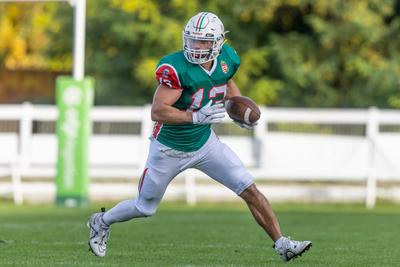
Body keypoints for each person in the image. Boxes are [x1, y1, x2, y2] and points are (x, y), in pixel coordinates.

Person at [87, 12, 312, 262]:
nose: (196, 47)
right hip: (169, 150)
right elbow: (157, 111)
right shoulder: (177, 68)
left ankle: (282, 244)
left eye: (203, 41)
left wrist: (235, 109)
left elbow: (226, 83)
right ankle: (101, 221)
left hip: (206, 145)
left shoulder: (227, 58)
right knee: (144, 207)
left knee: (249, 188)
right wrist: (194, 117)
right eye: (192, 40)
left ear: (217, 43)